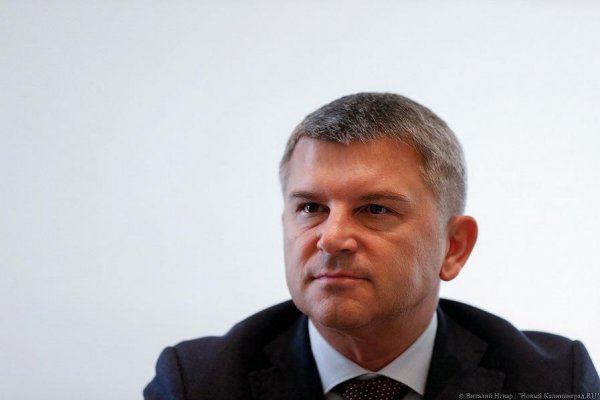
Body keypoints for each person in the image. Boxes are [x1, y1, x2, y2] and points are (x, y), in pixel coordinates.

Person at [144, 93, 599, 400]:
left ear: (454, 247)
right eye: (310, 208)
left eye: (375, 209)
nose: (331, 238)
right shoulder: (198, 383)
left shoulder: (553, 382)